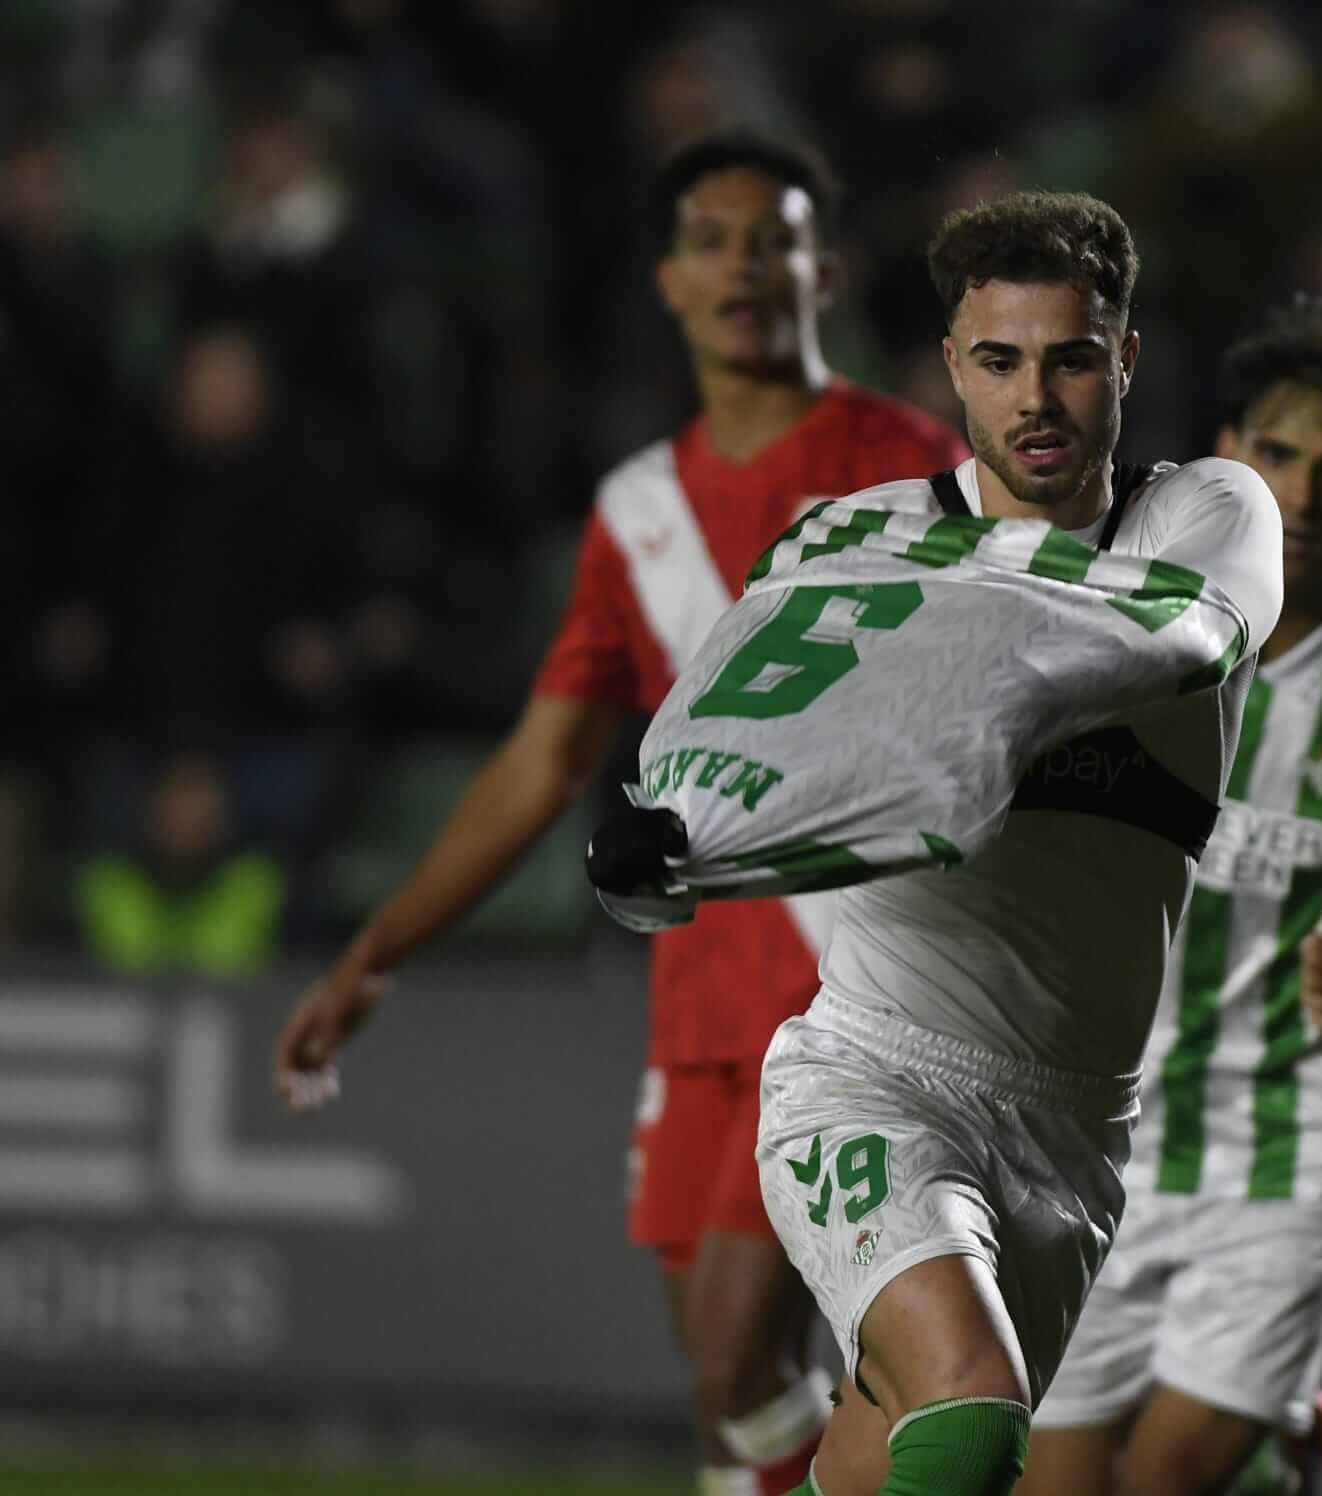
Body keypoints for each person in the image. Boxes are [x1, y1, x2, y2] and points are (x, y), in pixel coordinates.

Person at [272, 128, 966, 1496]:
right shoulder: (637, 511)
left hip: (855, 978)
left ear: (822, 265)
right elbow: (540, 764)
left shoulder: (911, 467)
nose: (741, 268)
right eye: (710, 242)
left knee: (733, 1360)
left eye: (771, 238)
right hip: (704, 981)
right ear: (665, 278)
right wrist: (378, 950)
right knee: (735, 1398)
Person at [735, 191, 1285, 1496]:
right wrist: (677, 848)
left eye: (1071, 357)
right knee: (972, 1419)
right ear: (951, 371)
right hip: (873, 1071)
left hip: (1074, 1128)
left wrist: (940, 716)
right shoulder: (857, 542)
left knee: (889, 1465)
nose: (1035, 396)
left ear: (1126, 358)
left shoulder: (1204, 516)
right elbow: (744, 752)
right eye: (998, 361)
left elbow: (1180, 639)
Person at [1021, 299, 1322, 1496]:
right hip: (1110, 1140)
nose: (1307, 494)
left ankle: (1253, 1449)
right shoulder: (1117, 642)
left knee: (1161, 1485)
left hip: (1292, 1151)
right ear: (1231, 450)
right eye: (1282, 455)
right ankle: (1275, 1460)